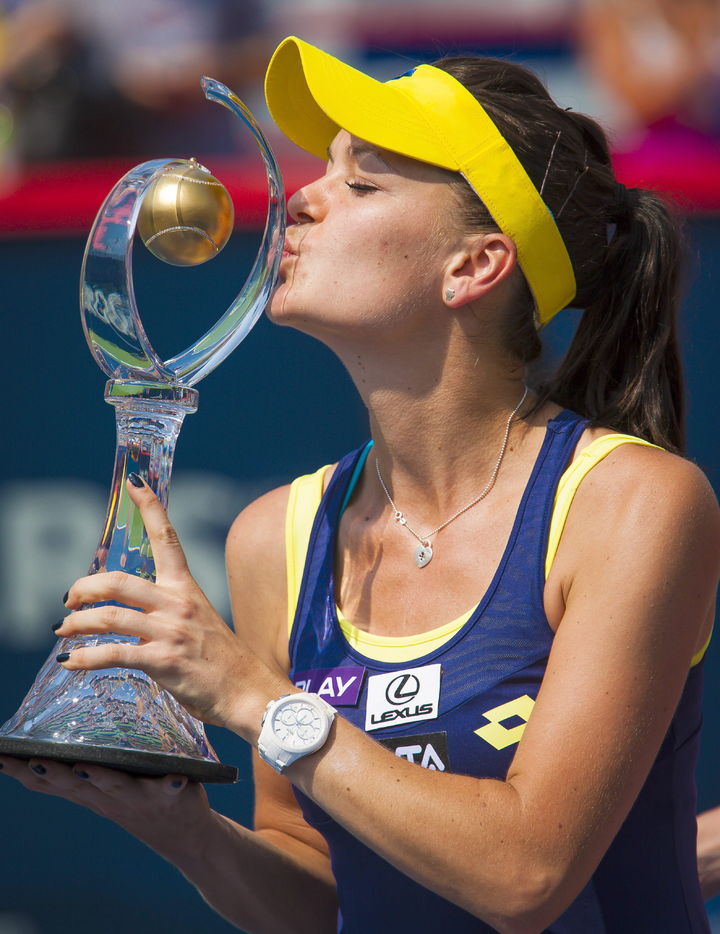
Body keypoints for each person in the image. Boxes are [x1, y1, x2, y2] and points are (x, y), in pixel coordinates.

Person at [1, 36, 719, 934]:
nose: (301, 199)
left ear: (475, 266)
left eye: (362, 184)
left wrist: (249, 695)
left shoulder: (633, 502)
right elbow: (321, 895)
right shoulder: (275, 534)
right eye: (324, 171)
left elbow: (526, 876)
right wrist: (184, 831)